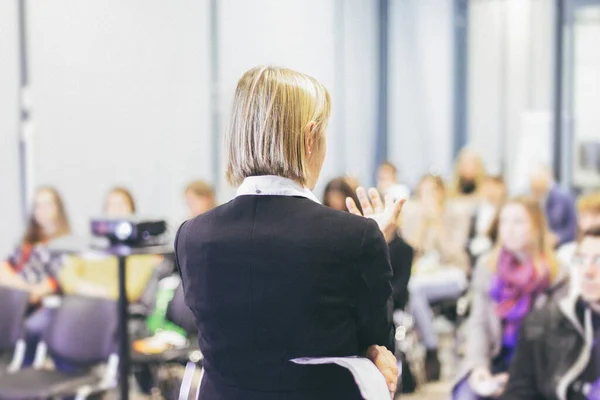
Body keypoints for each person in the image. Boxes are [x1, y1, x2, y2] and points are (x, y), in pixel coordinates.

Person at [175, 66, 403, 400]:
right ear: (311, 137)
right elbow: (376, 342)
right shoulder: (355, 238)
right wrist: (372, 242)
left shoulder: (192, 236)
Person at [453, 196, 565, 399]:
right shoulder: (487, 268)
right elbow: (479, 325)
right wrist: (479, 368)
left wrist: (519, 379)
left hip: (538, 370)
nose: (509, 229)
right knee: (466, 395)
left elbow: (559, 340)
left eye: (518, 222)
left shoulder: (557, 275)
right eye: (504, 221)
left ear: (536, 227)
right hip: (493, 361)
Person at [501, 227, 600, 400]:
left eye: (598, 261)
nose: (588, 271)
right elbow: (518, 393)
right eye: (582, 260)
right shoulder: (544, 324)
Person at [400, 174, 471, 381]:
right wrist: (422, 225)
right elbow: (410, 254)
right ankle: (431, 350)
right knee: (412, 290)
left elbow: (454, 253)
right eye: (423, 192)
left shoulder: (456, 214)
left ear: (441, 192)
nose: (428, 197)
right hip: (423, 277)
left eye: (432, 192)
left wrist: (438, 223)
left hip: (453, 273)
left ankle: (431, 350)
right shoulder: (414, 215)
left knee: (414, 289)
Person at [0, 186, 70, 364]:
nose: (41, 210)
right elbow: (5, 267)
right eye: (37, 206)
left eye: (47, 204)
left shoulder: (64, 245)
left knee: (31, 324)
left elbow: (54, 283)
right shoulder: (26, 244)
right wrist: (21, 287)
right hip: (14, 295)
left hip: (38, 305)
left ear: (58, 209)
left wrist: (23, 290)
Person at [529, 164, 577, 247]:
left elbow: (574, 228)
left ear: (548, 180)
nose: (535, 189)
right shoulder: (529, 199)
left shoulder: (564, 198)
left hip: (559, 247)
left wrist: (558, 238)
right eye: (533, 186)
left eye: (539, 183)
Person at [466, 176, 507, 268]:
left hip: (494, 254)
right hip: (473, 254)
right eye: (488, 186)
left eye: (495, 186)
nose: (492, 190)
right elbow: (469, 236)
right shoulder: (477, 210)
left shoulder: (505, 211)